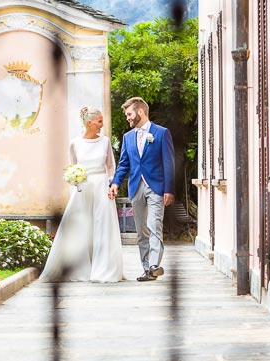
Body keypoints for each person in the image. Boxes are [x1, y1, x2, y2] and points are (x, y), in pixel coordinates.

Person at [40, 107, 124, 282]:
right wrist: (74, 179)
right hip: (83, 189)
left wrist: (111, 184)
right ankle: (80, 269)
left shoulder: (105, 141)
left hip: (102, 187)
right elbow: (72, 167)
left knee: (102, 227)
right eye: (99, 121)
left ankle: (103, 270)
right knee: (81, 227)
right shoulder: (75, 143)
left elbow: (110, 167)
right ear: (89, 123)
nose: (102, 124)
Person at [108, 97, 175, 282]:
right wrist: (115, 183)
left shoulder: (161, 133)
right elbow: (123, 164)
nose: (127, 118)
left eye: (129, 114)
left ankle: (154, 264)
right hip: (136, 186)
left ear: (140, 112)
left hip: (156, 187)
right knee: (141, 232)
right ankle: (147, 269)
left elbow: (169, 163)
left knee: (154, 226)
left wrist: (169, 189)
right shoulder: (127, 137)